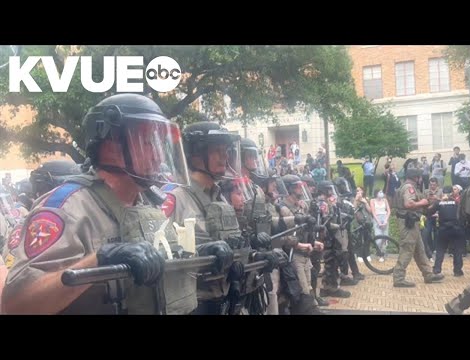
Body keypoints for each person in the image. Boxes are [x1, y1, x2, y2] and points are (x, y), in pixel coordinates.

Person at [2, 93, 196, 315]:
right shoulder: (67, 208)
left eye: (160, 144)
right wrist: (100, 259)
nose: (159, 156)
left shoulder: (149, 203)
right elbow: (17, 305)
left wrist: (196, 256)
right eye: (148, 141)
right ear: (111, 145)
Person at [164, 122, 278, 315]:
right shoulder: (176, 199)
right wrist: (199, 253)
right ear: (195, 155)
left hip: (225, 298)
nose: (225, 156)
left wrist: (254, 253)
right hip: (195, 304)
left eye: (226, 150)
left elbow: (231, 243)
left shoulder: (220, 197)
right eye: (217, 150)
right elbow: (164, 253)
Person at [392, 168, 444, 287]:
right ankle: (399, 278)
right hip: (408, 224)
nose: (421, 179)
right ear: (416, 177)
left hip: (412, 224)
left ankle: (428, 274)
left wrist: (428, 201)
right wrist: (423, 202)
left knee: (420, 250)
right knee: (407, 250)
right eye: (420, 177)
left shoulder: (411, 187)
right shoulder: (408, 188)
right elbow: (408, 204)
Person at [427, 186, 464, 277]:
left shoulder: (439, 202)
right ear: (452, 193)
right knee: (458, 250)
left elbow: (429, 212)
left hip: (444, 229)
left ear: (443, 193)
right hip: (456, 228)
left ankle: (437, 269)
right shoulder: (457, 202)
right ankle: (458, 271)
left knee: (440, 249)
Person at [370, 189, 390, 262]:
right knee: (378, 238)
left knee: (385, 237)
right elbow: (373, 212)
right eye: (380, 192)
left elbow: (388, 210)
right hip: (377, 218)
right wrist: (378, 221)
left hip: (384, 217)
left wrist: (386, 220)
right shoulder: (372, 200)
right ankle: (378, 253)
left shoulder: (385, 200)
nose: (381, 193)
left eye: (382, 192)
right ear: (376, 193)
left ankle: (383, 253)